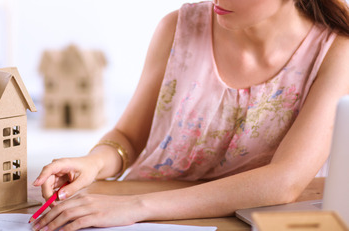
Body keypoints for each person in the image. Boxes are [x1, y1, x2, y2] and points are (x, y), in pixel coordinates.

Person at [32, 0, 349, 230]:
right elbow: (128, 138)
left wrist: (135, 208)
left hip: (164, 213)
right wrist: (93, 163)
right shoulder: (177, 27)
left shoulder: (337, 51)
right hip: (131, 214)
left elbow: (284, 182)